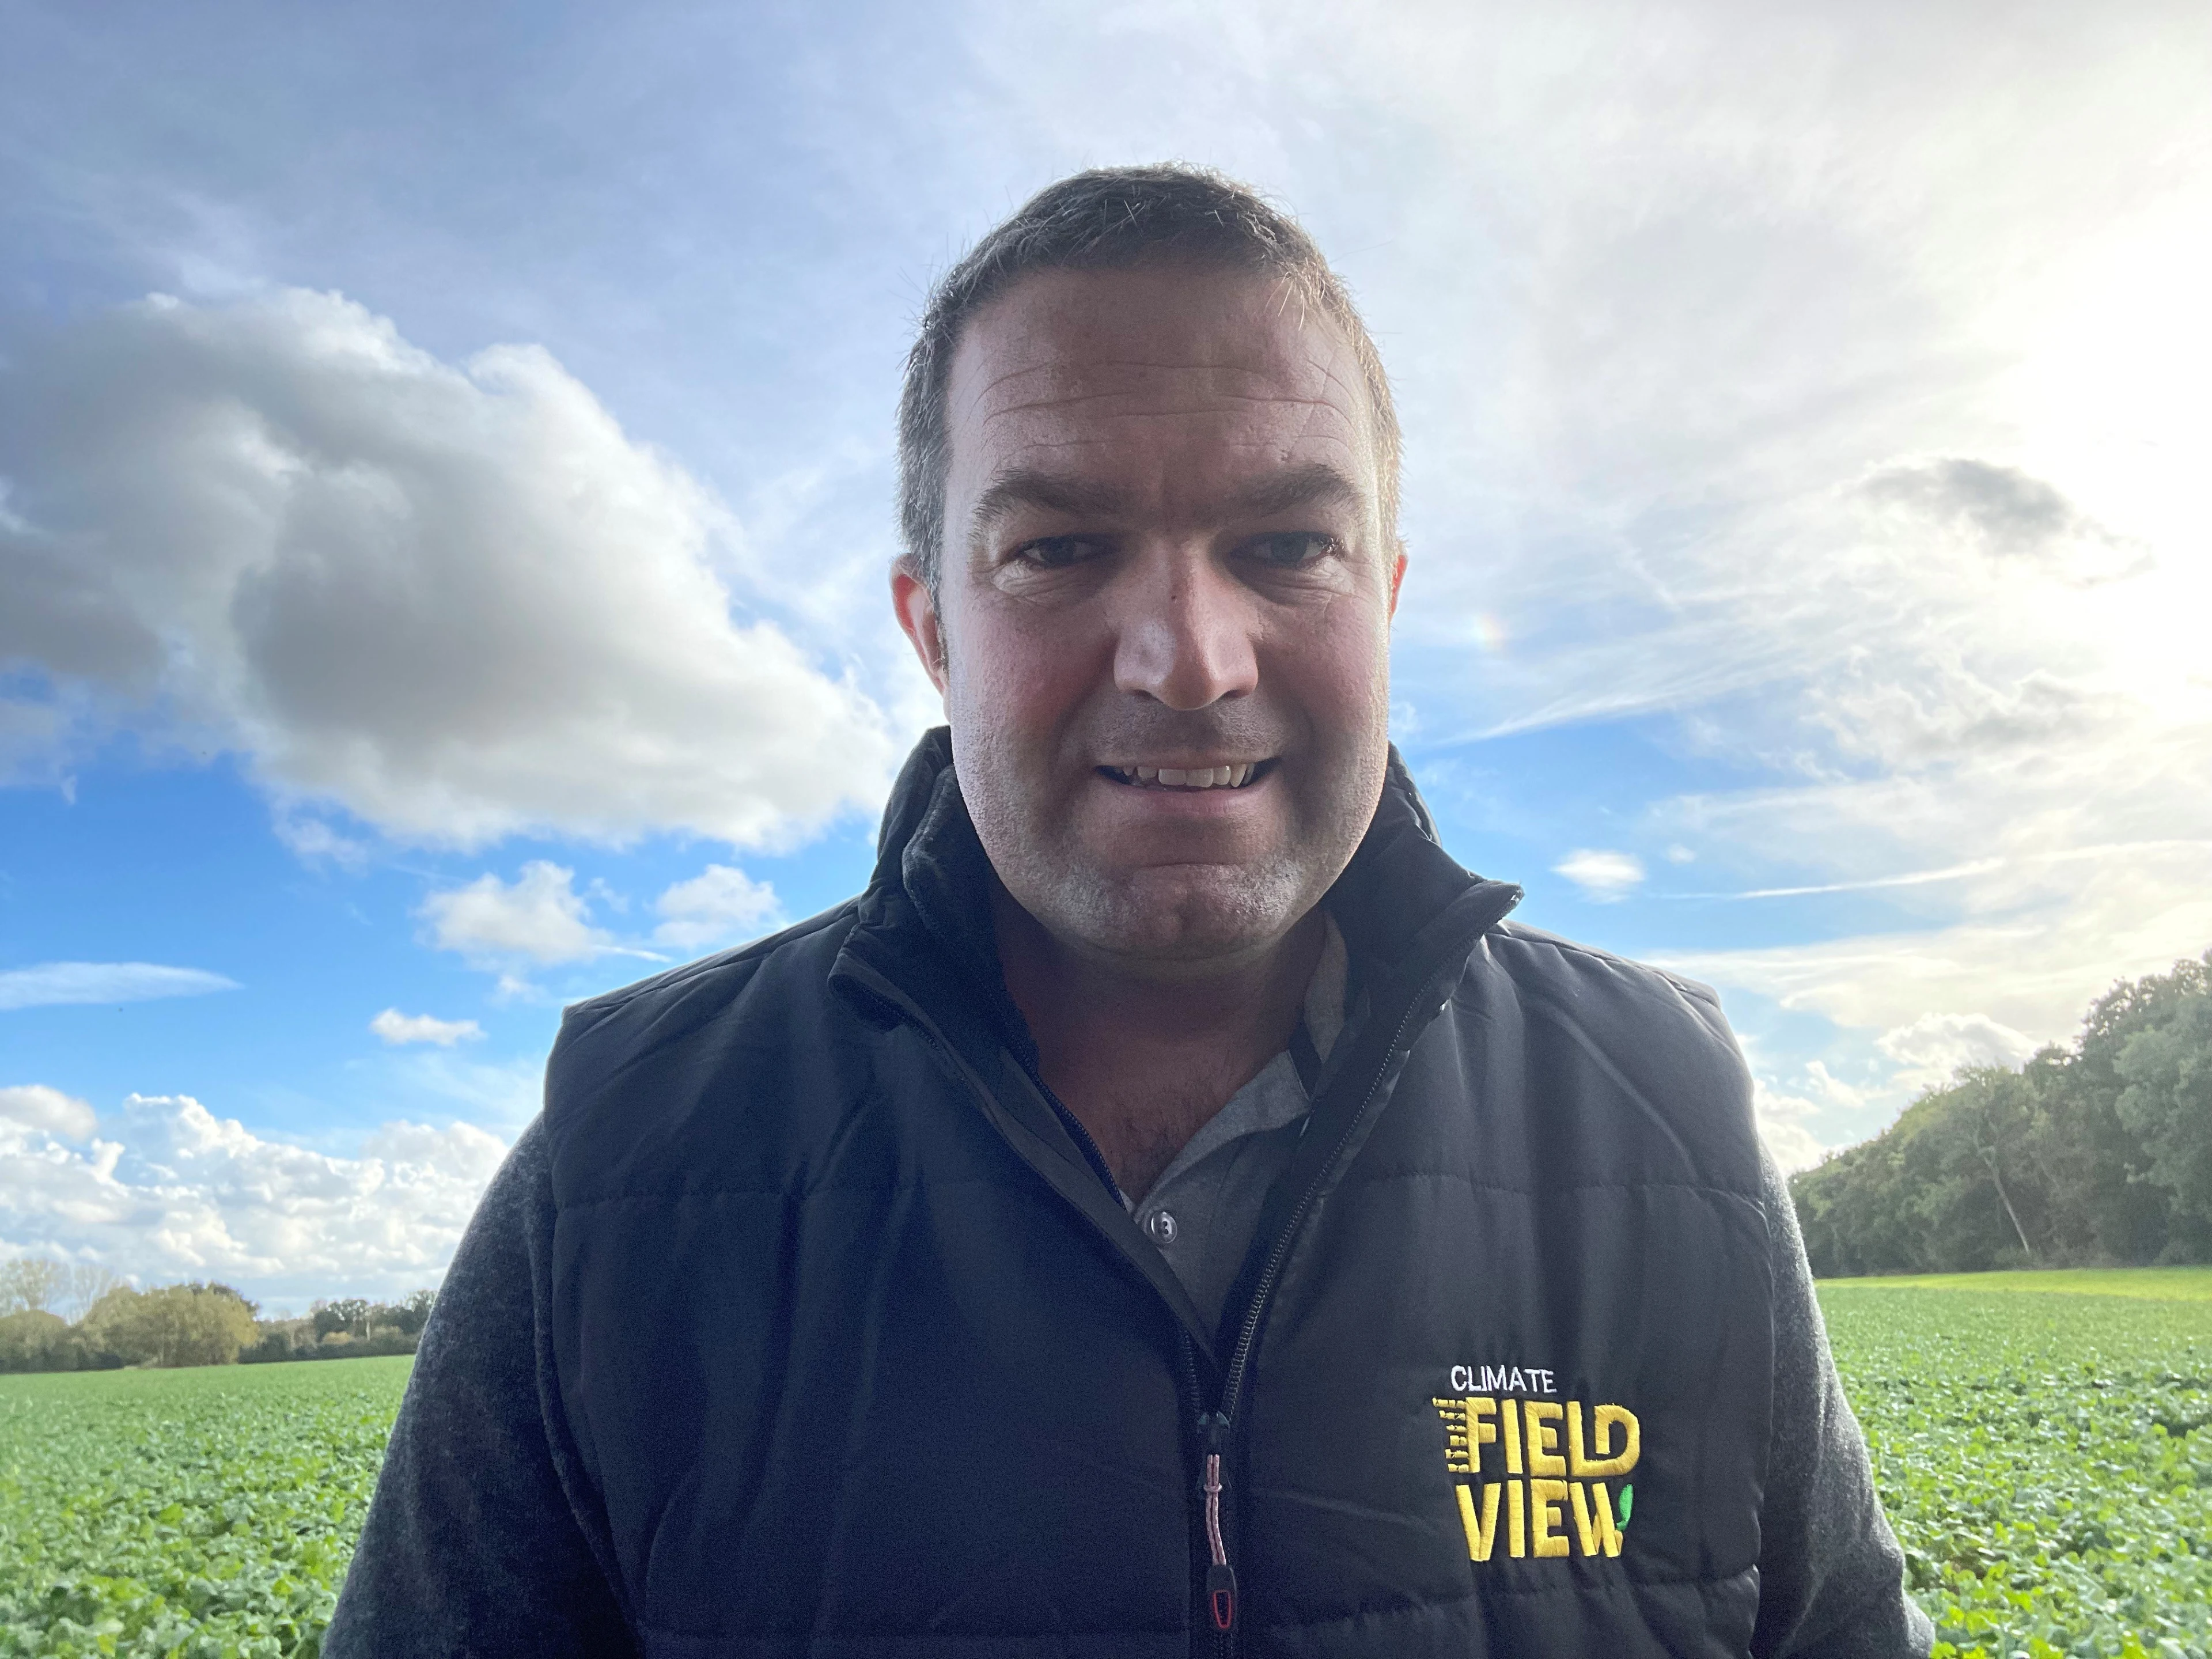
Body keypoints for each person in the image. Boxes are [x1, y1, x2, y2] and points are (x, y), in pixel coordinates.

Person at [327, 165, 1932, 1658]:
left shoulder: (1664, 1113)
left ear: (1384, 599)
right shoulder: (628, 1172)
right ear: (933, 629)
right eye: (1062, 548)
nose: (1190, 657)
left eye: (1289, 544)